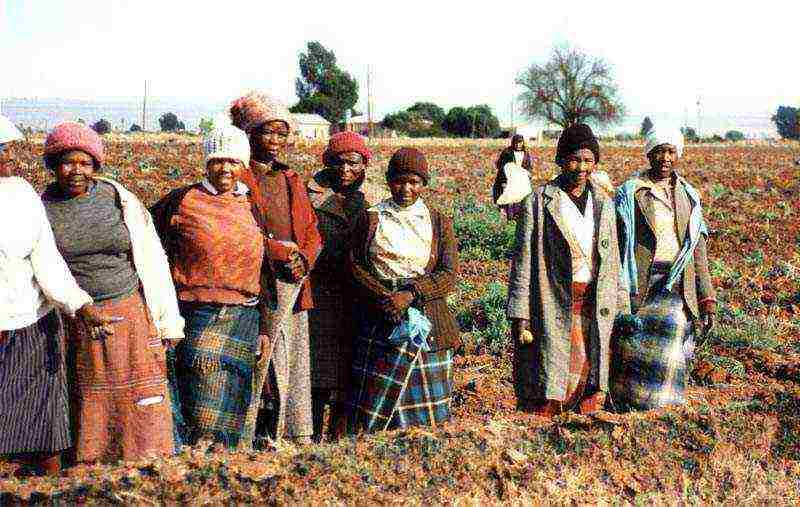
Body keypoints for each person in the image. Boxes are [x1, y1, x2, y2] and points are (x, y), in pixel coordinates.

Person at [40, 122, 184, 464]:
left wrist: (168, 318)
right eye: (67, 162)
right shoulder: (40, 207)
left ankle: (144, 465)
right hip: (77, 320)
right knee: (89, 394)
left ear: (96, 166)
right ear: (53, 165)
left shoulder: (120, 198)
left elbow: (152, 257)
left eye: (85, 163)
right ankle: (91, 467)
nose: (76, 171)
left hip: (130, 310)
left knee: (141, 396)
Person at [0, 117, 116, 475]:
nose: (5, 160)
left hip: (31, 326)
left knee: (40, 434)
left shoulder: (19, 195)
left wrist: (81, 305)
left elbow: (45, 258)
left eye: (3, 151)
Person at [150, 121, 266, 448]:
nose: (225, 168)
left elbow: (265, 268)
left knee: (234, 393)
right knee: (199, 386)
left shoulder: (253, 205)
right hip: (197, 313)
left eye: (233, 161)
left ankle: (223, 464)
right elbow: (147, 248)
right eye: (217, 160)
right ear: (206, 162)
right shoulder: (181, 201)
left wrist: (265, 327)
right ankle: (194, 460)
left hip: (243, 317)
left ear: (243, 165)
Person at [506, 123, 629, 417]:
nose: (581, 167)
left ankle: (582, 442)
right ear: (561, 160)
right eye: (574, 159)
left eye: (588, 160)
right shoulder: (538, 202)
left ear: (596, 163)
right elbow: (522, 262)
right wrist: (520, 314)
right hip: (551, 305)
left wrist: (621, 306)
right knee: (549, 380)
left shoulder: (604, 204)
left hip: (595, 304)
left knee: (590, 380)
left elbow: (613, 264)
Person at [230, 92, 322, 444]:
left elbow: (312, 230)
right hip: (257, 283)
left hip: (294, 283)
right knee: (259, 360)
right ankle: (247, 437)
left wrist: (304, 259)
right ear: (250, 134)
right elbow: (240, 229)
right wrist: (280, 253)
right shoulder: (237, 177)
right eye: (268, 132)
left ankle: (293, 434)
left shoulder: (291, 179)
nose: (275, 141)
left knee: (293, 362)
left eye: (282, 134)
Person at [348, 147, 460, 432]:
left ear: (424, 183)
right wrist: (385, 298)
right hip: (380, 320)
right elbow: (354, 266)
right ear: (388, 180)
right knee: (376, 417)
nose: (406, 189)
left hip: (428, 323)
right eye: (399, 180)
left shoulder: (438, 221)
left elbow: (448, 274)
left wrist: (410, 295)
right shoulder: (372, 218)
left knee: (427, 422)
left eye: (414, 182)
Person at [611, 125, 716, 411]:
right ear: (650, 154)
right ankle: (625, 407)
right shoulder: (631, 193)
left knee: (673, 332)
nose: (665, 158)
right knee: (633, 340)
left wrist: (707, 300)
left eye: (671, 152)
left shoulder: (689, 196)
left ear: (677, 154)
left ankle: (663, 409)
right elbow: (617, 243)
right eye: (659, 152)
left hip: (676, 281)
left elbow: (697, 250)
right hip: (640, 281)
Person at [306, 131, 388, 441]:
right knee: (316, 379)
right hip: (320, 299)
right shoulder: (307, 195)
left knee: (352, 380)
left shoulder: (377, 198)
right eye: (338, 163)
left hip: (362, 299)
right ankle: (308, 443)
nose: (345, 170)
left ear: (365, 164)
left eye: (353, 163)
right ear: (327, 162)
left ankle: (341, 447)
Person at [492, 134, 533, 220]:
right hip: (509, 180)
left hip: (521, 181)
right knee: (509, 199)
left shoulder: (525, 153)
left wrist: (529, 173)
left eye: (520, 143)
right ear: (513, 143)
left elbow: (528, 166)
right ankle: (509, 218)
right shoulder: (507, 153)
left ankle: (518, 218)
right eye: (516, 143)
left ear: (523, 143)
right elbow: (501, 166)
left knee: (520, 199)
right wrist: (503, 181)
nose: (518, 145)